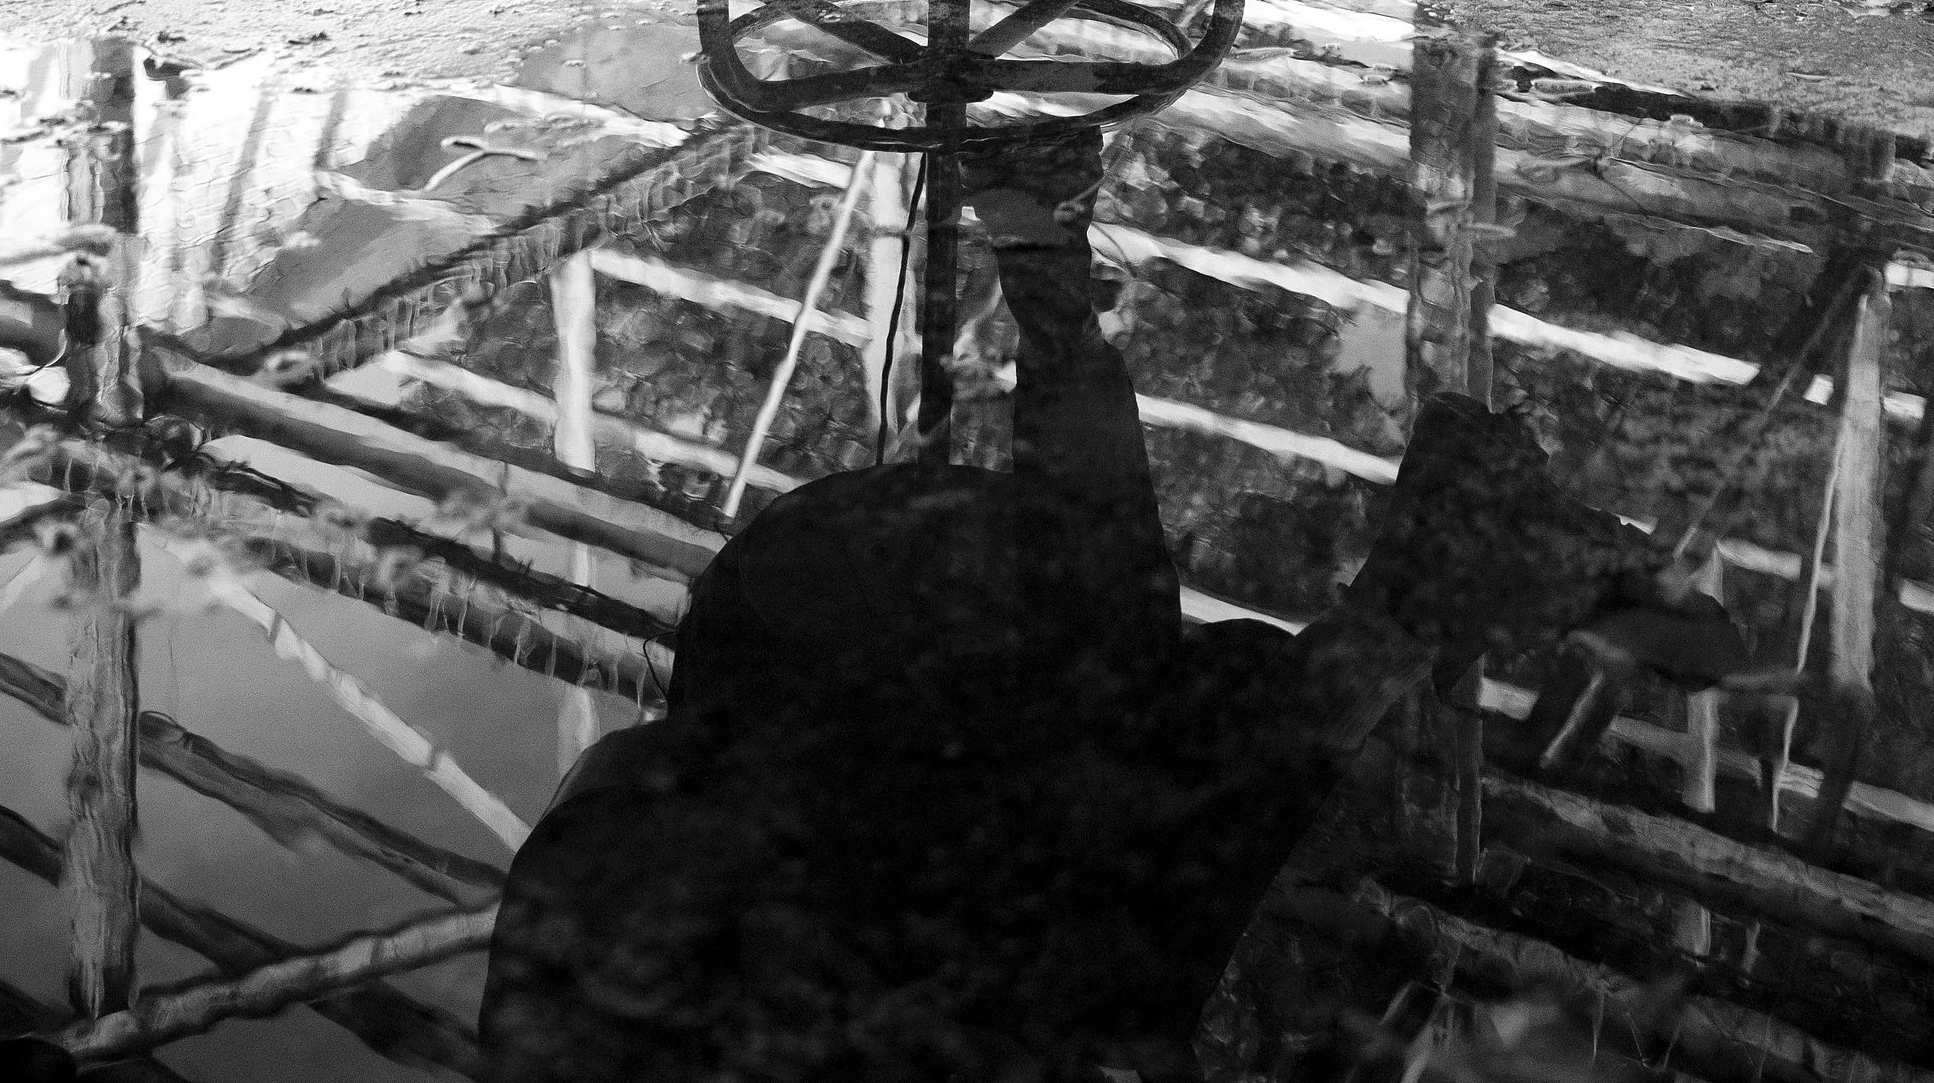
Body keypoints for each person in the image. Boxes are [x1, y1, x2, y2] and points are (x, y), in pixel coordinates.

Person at [477, 123, 1729, 1080]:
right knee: (1135, 826)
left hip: (859, 627)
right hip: (812, 636)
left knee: (1134, 824)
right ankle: (1045, 248)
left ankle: (1449, 549)